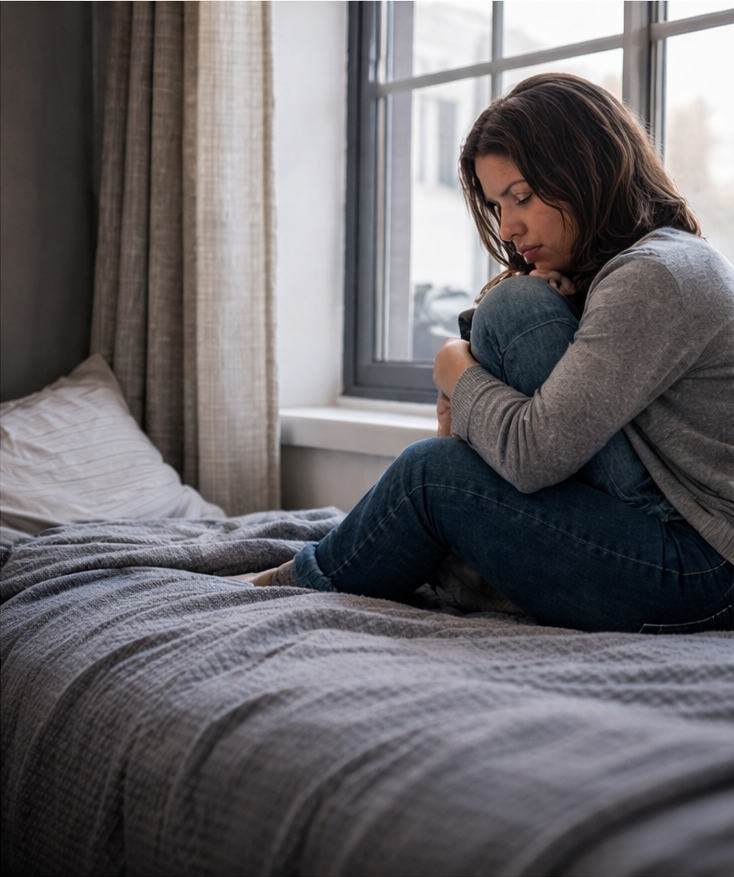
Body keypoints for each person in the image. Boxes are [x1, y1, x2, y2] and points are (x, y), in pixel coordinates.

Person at [242, 73, 733, 634]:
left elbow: (532, 456)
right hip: (676, 544)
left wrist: (454, 366)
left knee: (430, 474)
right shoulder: (640, 270)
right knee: (511, 306)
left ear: (589, 170)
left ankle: (293, 585)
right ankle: (454, 564)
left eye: (522, 197)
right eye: (498, 205)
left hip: (705, 570)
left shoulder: (655, 276)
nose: (509, 226)